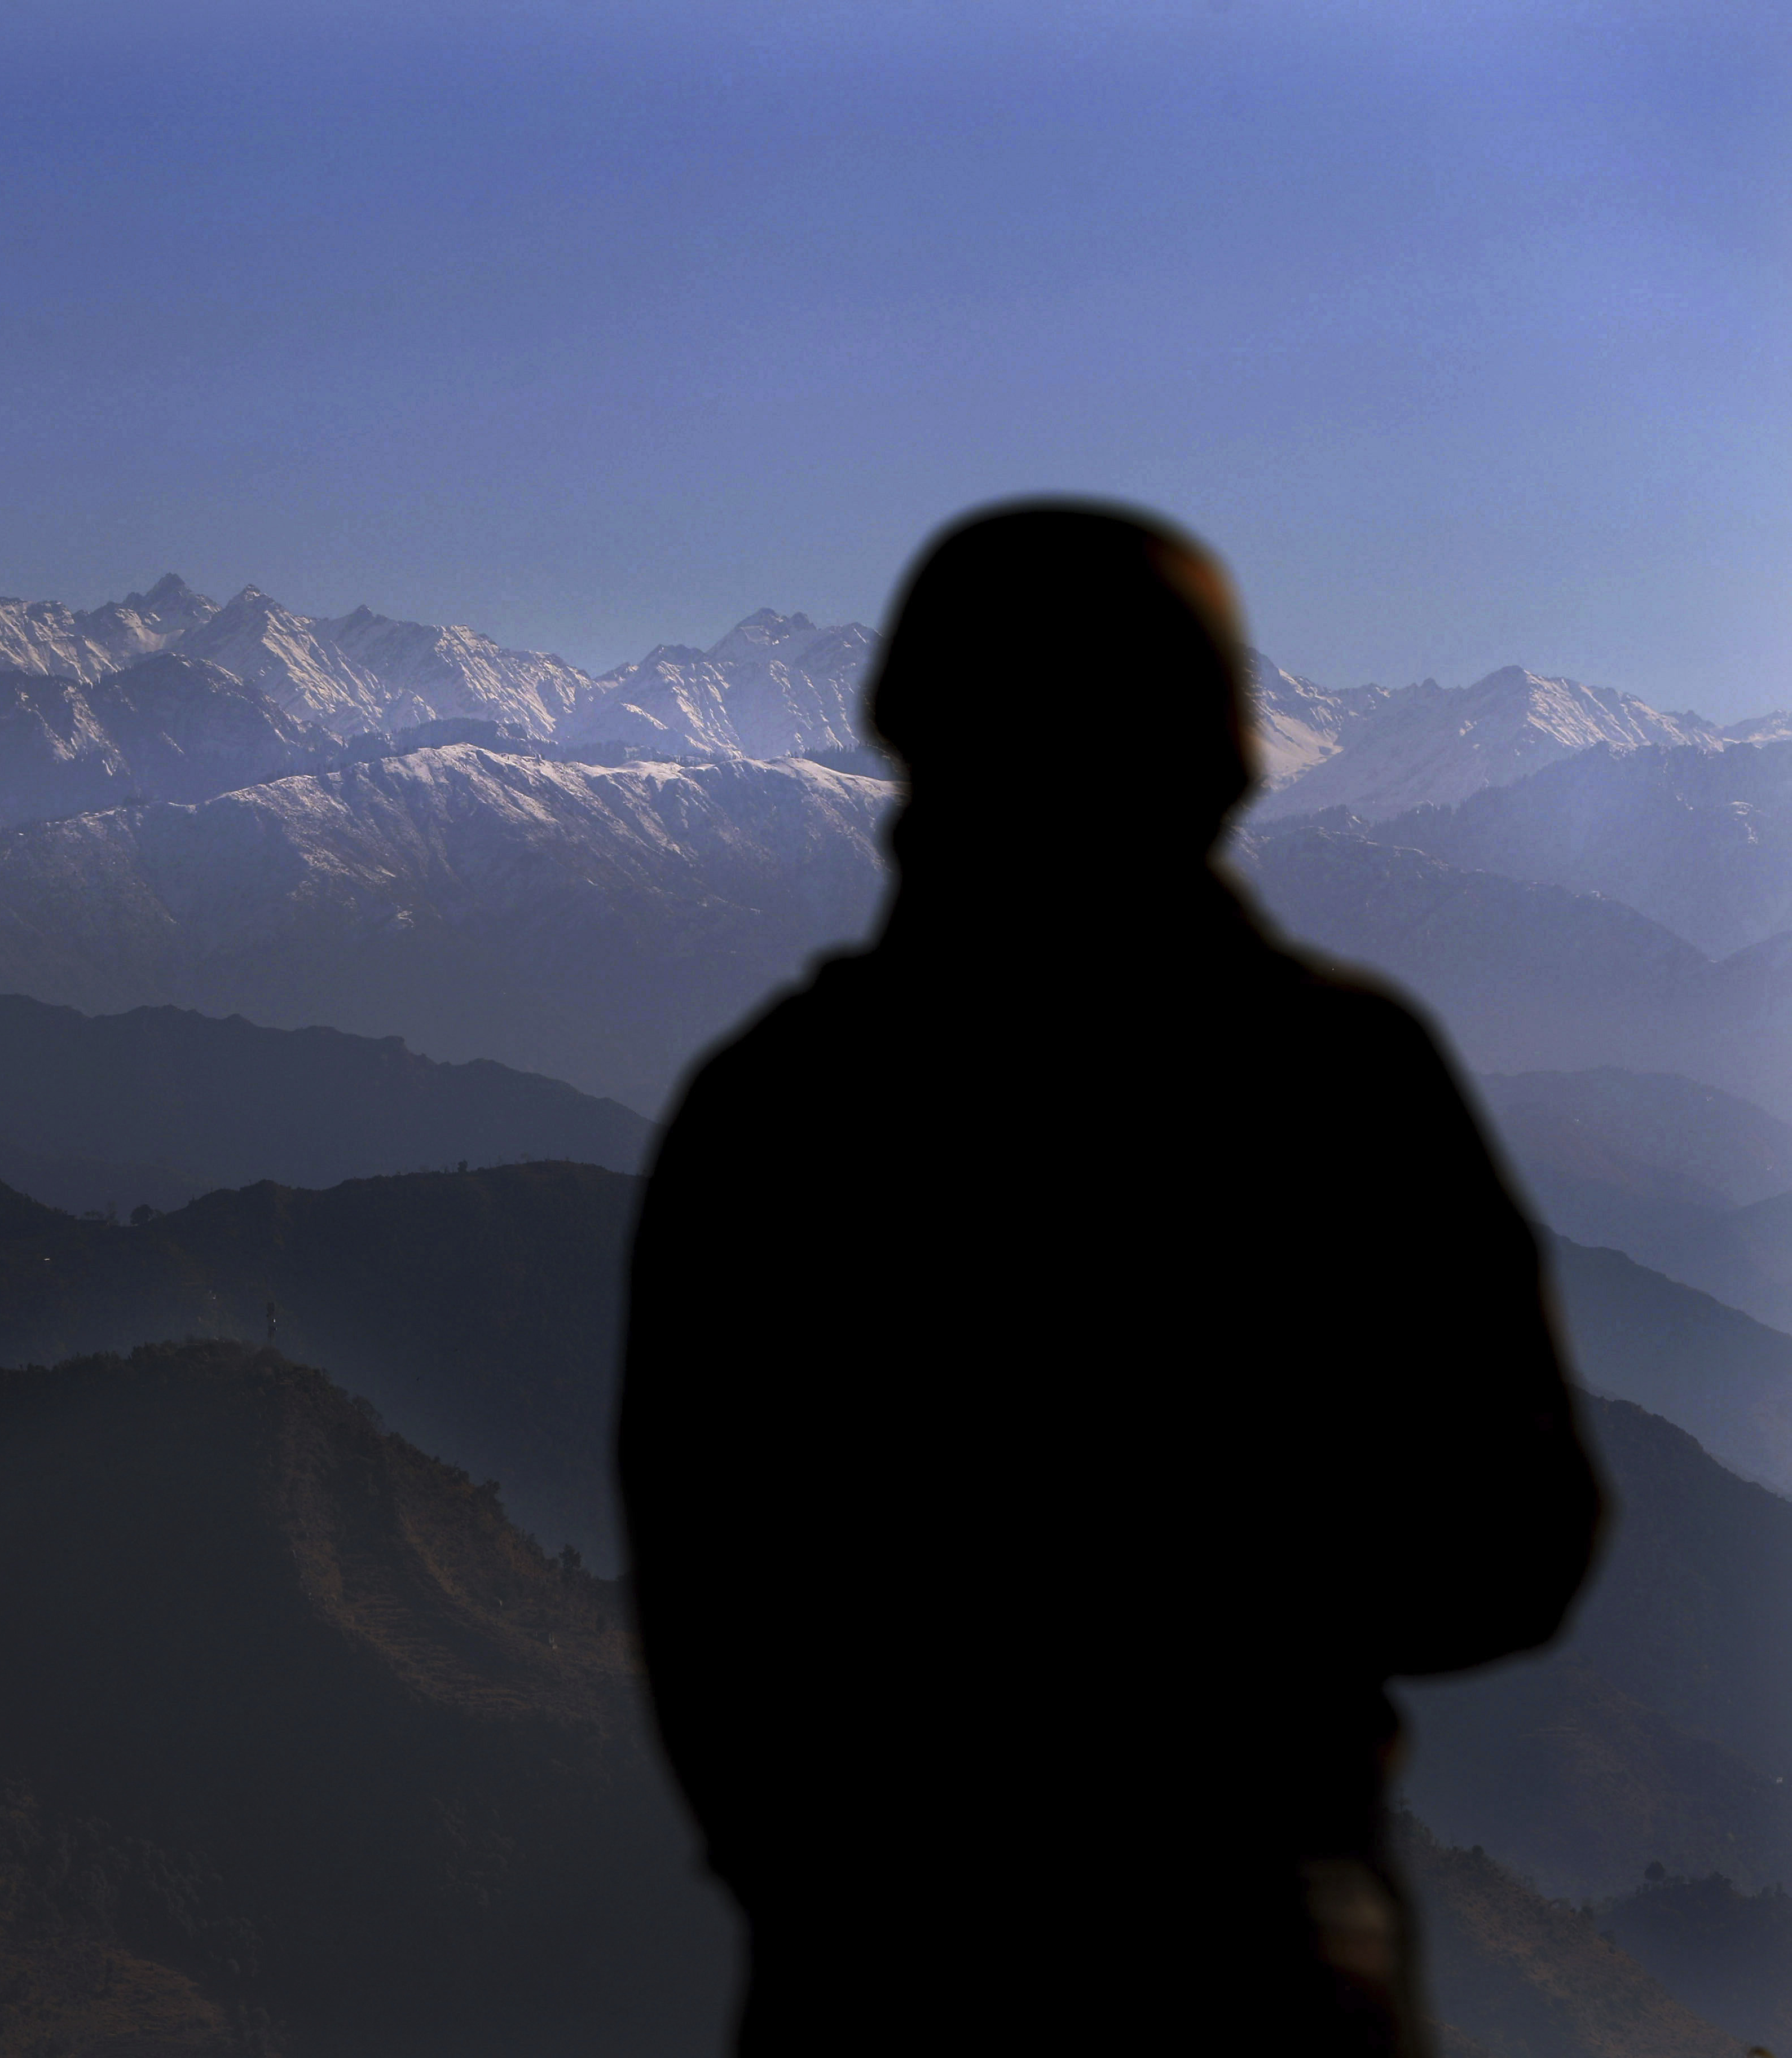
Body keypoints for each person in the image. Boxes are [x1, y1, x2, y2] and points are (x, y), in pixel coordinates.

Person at [617, 504, 1603, 2055]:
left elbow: (705, 1597)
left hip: (875, 1977)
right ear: (1214, 761)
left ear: (917, 749)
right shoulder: (1342, 1083)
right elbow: (1522, 1540)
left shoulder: (780, 1109)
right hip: (1266, 1968)